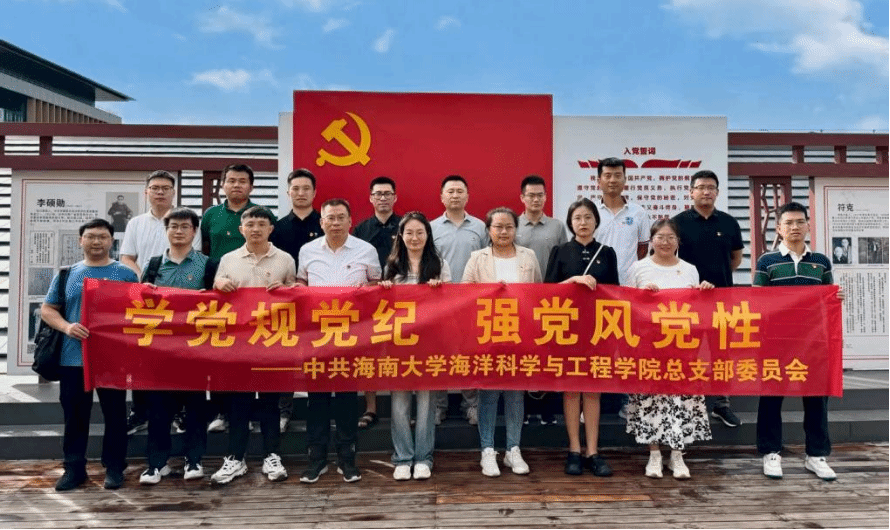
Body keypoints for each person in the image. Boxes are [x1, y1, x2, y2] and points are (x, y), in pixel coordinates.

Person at [41, 219, 138, 491]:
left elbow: (139, 309)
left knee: (115, 415)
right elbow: (48, 309)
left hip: (112, 358)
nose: (97, 242)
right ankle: (74, 468)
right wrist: (67, 327)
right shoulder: (66, 274)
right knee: (75, 416)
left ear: (111, 241)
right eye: (91, 236)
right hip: (72, 358)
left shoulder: (126, 274)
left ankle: (115, 467)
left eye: (103, 237)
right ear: (80, 240)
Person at [754, 201, 845, 482]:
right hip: (776, 341)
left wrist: (835, 298)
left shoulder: (821, 262)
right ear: (779, 228)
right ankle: (771, 452)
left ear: (808, 226)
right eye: (788, 223)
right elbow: (757, 301)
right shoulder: (767, 262)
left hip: (812, 342)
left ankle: (816, 454)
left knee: (816, 398)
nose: (794, 227)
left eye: (799, 222)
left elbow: (827, 298)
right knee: (771, 397)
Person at [297, 199, 382, 484]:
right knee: (317, 400)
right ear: (321, 222)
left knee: (346, 400)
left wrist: (367, 288)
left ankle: (347, 459)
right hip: (316, 336)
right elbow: (301, 283)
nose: (335, 223)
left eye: (340, 217)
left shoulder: (366, 250)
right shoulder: (307, 250)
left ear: (350, 221)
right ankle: (316, 460)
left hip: (351, 336)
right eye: (330, 218)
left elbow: (377, 285)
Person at [210, 206, 295, 485]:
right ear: (241, 229)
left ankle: (272, 455)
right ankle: (236, 458)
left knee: (270, 403)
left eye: (261, 224)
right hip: (238, 343)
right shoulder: (228, 259)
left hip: (272, 341)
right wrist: (219, 283)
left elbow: (297, 297)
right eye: (250, 224)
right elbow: (216, 293)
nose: (256, 228)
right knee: (239, 403)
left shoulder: (285, 259)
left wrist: (287, 290)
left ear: (271, 229)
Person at [625, 219, 714, 480]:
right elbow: (625, 305)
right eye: (660, 237)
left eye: (670, 237)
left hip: (682, 345)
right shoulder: (638, 268)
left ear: (678, 242)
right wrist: (641, 294)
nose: (665, 242)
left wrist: (705, 291)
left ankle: (677, 454)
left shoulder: (689, 269)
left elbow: (697, 308)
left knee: (681, 398)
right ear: (651, 240)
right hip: (649, 344)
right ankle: (654, 454)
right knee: (651, 399)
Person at [120, 170, 201, 435]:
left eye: (166, 188)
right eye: (155, 188)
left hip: (181, 297)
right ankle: (140, 412)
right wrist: (143, 279)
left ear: (174, 192)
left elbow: (196, 255)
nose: (160, 192)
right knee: (143, 354)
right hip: (147, 297)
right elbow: (127, 257)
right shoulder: (136, 223)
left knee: (181, 356)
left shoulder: (186, 221)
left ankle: (179, 411)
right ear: (147, 192)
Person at [463, 207, 541, 477]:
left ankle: (513, 449)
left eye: (509, 226)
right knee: (488, 394)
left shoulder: (528, 256)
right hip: (488, 335)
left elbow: (539, 293)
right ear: (488, 230)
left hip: (520, 335)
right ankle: (487, 450)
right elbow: (463, 294)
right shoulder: (477, 258)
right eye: (498, 227)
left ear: (516, 229)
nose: (504, 232)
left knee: (515, 394)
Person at [544, 198, 619, 477]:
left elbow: (615, 293)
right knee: (572, 389)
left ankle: (593, 451)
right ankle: (574, 449)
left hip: (598, 330)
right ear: (570, 222)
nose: (583, 222)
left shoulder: (607, 253)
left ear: (596, 221)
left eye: (588, 217)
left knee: (593, 390)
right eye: (577, 218)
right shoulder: (560, 251)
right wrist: (574, 280)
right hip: (567, 330)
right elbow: (548, 291)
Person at [138, 208, 211, 485]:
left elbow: (220, 304)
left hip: (196, 348)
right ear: (166, 230)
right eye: (173, 227)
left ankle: (194, 459)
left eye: (185, 227)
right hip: (161, 349)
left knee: (195, 407)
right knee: (159, 408)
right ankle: (156, 464)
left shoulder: (207, 264)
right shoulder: (154, 264)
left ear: (194, 231)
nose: (178, 231)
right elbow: (139, 302)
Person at [379, 212, 451, 481]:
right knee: (399, 404)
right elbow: (383, 306)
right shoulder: (392, 265)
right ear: (401, 235)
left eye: (420, 232)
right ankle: (402, 457)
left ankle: (423, 458)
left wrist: (441, 289)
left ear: (428, 235)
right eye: (409, 232)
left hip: (429, 343)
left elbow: (453, 303)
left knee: (426, 403)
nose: (414, 238)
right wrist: (384, 288)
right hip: (399, 344)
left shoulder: (439, 264)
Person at [672, 170, 745, 428]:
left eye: (711, 187)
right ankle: (688, 403)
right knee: (688, 351)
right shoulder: (678, 223)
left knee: (720, 352)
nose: (706, 192)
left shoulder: (729, 223)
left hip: (721, 300)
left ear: (717, 192)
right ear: (691, 192)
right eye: (701, 187)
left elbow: (735, 259)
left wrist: (716, 279)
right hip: (687, 301)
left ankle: (721, 404)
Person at [200, 163, 268, 433]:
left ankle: (248, 413)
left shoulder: (261, 214)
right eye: (231, 180)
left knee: (253, 355)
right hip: (221, 293)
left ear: (251, 186)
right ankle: (221, 412)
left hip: (253, 296)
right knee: (221, 354)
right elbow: (204, 249)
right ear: (223, 185)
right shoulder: (211, 215)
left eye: (242, 181)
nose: (236, 185)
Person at [592, 157, 650, 419]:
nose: (612, 180)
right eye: (607, 175)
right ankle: (591, 401)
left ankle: (628, 401)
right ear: (599, 180)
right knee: (596, 346)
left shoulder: (638, 213)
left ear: (625, 179)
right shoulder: (591, 211)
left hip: (628, 291)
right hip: (596, 291)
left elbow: (642, 250)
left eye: (618, 175)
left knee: (628, 347)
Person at [431, 175, 488, 425]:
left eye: (459, 191)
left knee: (468, 354)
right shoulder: (431, 228)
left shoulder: (480, 227)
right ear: (442, 196)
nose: (455, 195)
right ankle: (438, 406)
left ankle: (471, 405)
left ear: (467, 196)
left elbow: (487, 258)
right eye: (450, 191)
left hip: (472, 302)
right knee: (439, 354)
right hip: (439, 302)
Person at [270, 168, 323, 433]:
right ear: (288, 192)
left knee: (319, 356)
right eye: (296, 189)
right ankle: (283, 412)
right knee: (285, 358)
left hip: (321, 305)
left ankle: (319, 411)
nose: (301, 193)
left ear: (314, 192)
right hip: (286, 304)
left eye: (306, 188)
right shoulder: (277, 228)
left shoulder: (325, 223)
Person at [514, 174, 568, 426]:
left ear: (546, 197)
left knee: (548, 354)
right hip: (520, 299)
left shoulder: (557, 227)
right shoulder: (512, 224)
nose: (535, 199)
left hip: (550, 300)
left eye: (540, 195)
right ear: (522, 197)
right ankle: (524, 409)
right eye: (531, 195)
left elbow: (564, 258)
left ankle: (547, 409)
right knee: (524, 354)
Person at [353, 176, 402, 430]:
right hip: (369, 301)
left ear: (395, 197)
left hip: (401, 299)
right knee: (369, 353)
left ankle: (400, 409)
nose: (383, 198)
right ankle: (370, 408)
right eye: (378, 194)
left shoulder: (406, 225)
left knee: (399, 353)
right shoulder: (361, 229)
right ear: (371, 198)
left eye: (387, 194)